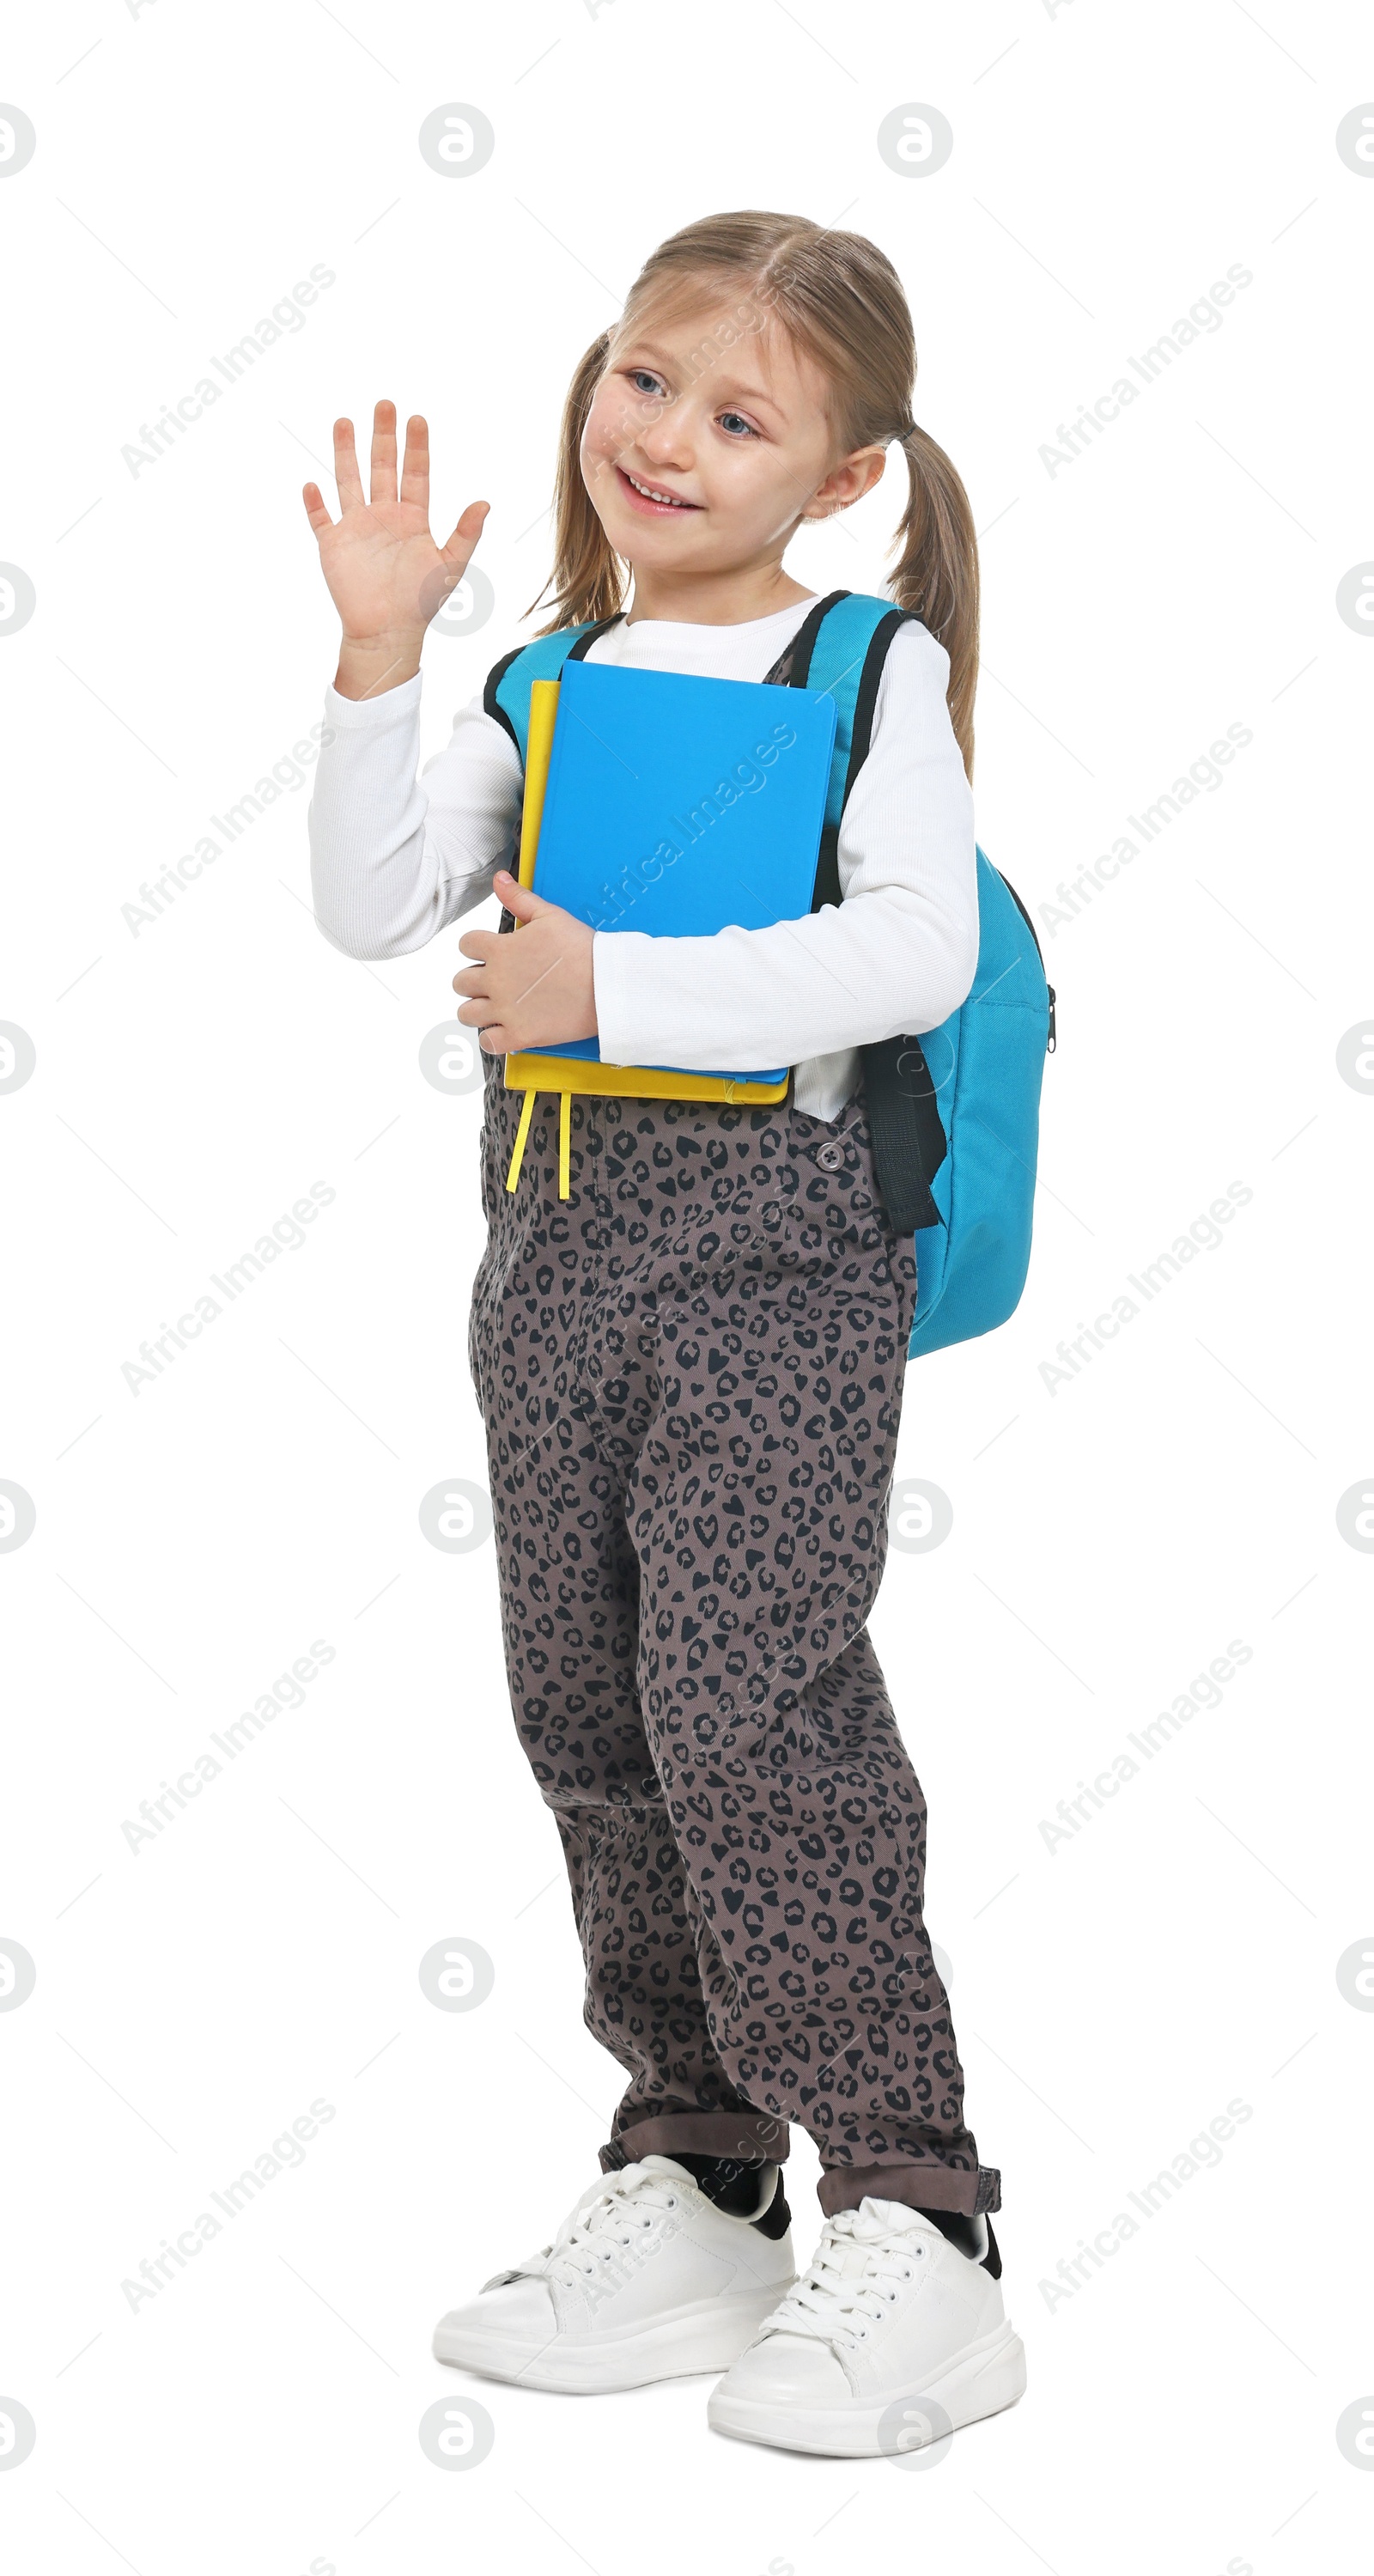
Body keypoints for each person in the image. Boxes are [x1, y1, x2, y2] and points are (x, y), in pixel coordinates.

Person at [303, 209, 1025, 2457]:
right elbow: (367, 908)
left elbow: (913, 953)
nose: (667, 437)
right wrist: (379, 659)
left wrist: (610, 987)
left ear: (836, 476)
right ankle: (700, 2166)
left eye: (740, 413)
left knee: (750, 1700)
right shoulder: (539, 673)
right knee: (590, 1704)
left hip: (782, 1246)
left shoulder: (861, 671)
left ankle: (909, 2203)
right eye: (645, 379)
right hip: (555, 1249)